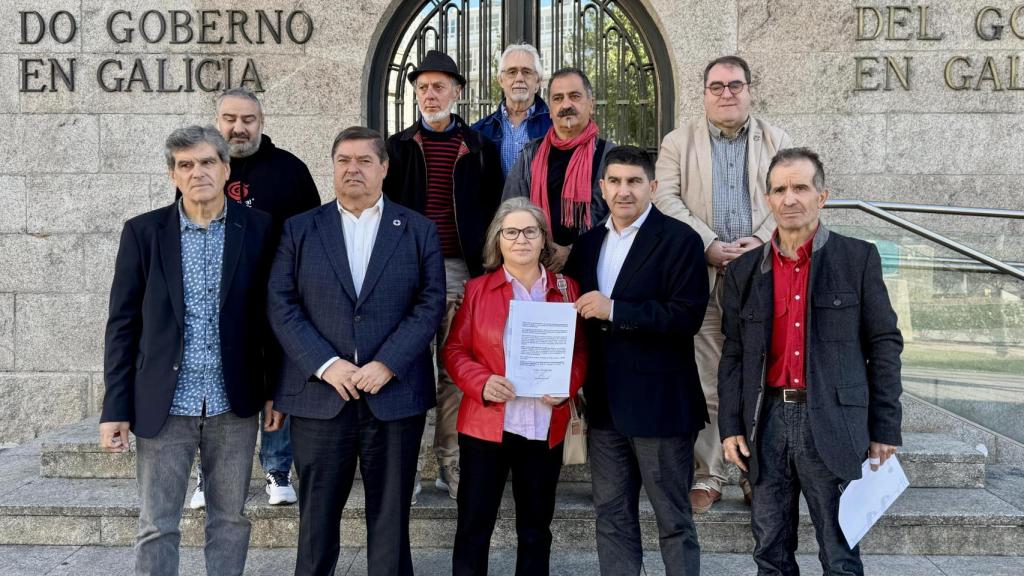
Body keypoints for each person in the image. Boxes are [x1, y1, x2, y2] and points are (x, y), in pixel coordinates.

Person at [267, 126, 446, 576]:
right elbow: (281, 302)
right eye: (344, 160)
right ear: (332, 167)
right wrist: (327, 365)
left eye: (365, 160)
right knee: (316, 524)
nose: (353, 169)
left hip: (394, 396)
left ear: (384, 168)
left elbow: (430, 304)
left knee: (390, 520)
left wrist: (387, 362)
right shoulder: (301, 228)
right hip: (320, 397)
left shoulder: (418, 229)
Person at [99, 125, 277, 576]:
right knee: (157, 524)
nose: (197, 172)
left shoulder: (258, 229)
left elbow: (273, 319)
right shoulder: (142, 233)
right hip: (164, 402)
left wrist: (277, 390)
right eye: (186, 165)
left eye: (206, 162)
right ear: (172, 174)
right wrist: (114, 407)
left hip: (233, 402)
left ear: (225, 167)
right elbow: (122, 325)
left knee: (230, 519)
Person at [718, 148, 904, 576]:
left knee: (839, 553)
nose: (790, 198)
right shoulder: (745, 270)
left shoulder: (857, 259)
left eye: (800, 187)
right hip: (766, 426)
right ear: (768, 199)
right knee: (770, 552)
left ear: (822, 195)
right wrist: (730, 426)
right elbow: (734, 354)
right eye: (779, 189)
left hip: (834, 423)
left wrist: (884, 427)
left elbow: (885, 344)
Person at [653, 55, 793, 513]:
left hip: (763, 274)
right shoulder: (677, 142)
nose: (726, 93)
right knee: (710, 378)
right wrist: (708, 243)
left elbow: (790, 199)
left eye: (735, 85)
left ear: (750, 89)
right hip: (704, 273)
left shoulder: (777, 141)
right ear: (705, 93)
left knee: (761, 377)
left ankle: (757, 476)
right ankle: (710, 474)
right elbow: (666, 199)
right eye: (717, 86)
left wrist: (758, 240)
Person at [565, 146, 709, 576]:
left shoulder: (681, 240)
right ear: (602, 187)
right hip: (605, 406)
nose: (623, 191)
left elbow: (687, 316)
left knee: (673, 520)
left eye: (633, 182)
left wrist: (617, 310)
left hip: (661, 406)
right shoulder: (588, 244)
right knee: (611, 517)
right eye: (615, 181)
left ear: (653, 186)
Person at [189, 86, 322, 510]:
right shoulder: (203, 167)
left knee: (275, 380)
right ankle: (209, 477)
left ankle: (278, 468)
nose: (238, 127)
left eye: (248, 120)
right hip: (216, 298)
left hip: (275, 297)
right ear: (217, 121)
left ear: (261, 123)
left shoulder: (290, 170)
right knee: (215, 382)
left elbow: (311, 234)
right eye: (230, 119)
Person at [443, 197, 587, 576]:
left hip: (543, 426)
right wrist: (482, 382)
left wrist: (566, 387)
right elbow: (454, 350)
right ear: (498, 241)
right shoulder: (476, 289)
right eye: (511, 232)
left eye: (530, 231)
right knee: (474, 528)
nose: (521, 239)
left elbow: (581, 352)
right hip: (486, 426)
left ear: (543, 240)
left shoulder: (567, 288)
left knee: (536, 530)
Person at [383, 49, 504, 500]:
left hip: (458, 270)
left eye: (438, 86)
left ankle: (449, 462)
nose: (430, 95)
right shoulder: (395, 148)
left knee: (454, 370)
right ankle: (406, 467)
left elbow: (493, 212)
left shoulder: (480, 149)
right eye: (422, 88)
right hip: (406, 273)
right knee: (406, 366)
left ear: (457, 90)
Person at [503, 67, 614, 272]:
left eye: (574, 96)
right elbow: (511, 209)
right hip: (538, 268)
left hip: (595, 270)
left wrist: (573, 250)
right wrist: (539, 248)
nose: (566, 105)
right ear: (551, 110)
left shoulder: (610, 156)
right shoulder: (530, 155)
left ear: (591, 104)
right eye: (558, 98)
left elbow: (619, 216)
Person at [471, 43, 553, 176]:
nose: (519, 78)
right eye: (512, 72)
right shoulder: (479, 131)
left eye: (526, 72)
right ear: (500, 80)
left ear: (538, 81)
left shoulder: (555, 127)